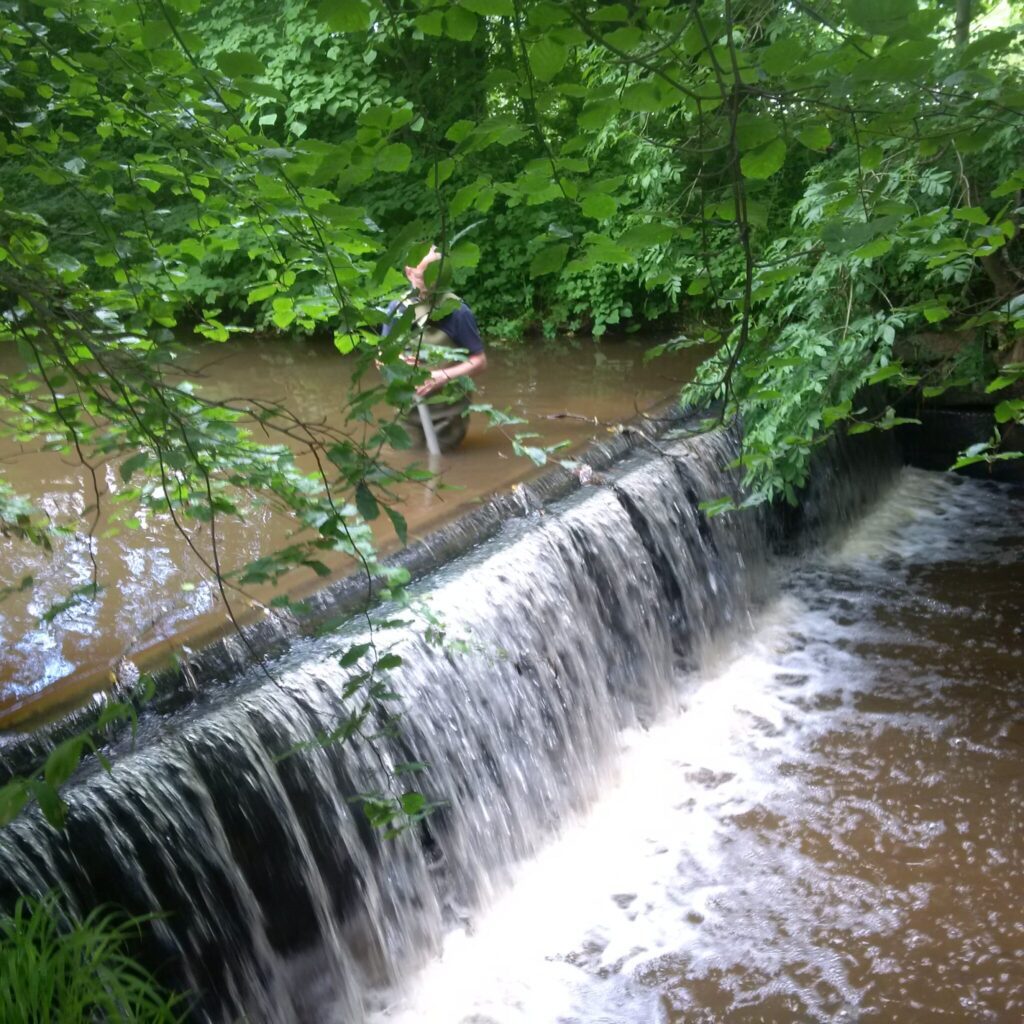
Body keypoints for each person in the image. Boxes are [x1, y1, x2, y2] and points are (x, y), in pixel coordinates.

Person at [381, 245, 487, 452]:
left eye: (435, 275)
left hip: (448, 412)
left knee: (445, 461)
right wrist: (399, 363)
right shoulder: (397, 309)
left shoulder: (457, 312)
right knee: (407, 459)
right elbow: (382, 356)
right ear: (409, 273)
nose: (431, 282)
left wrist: (442, 376)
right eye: (423, 276)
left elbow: (480, 361)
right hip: (407, 409)